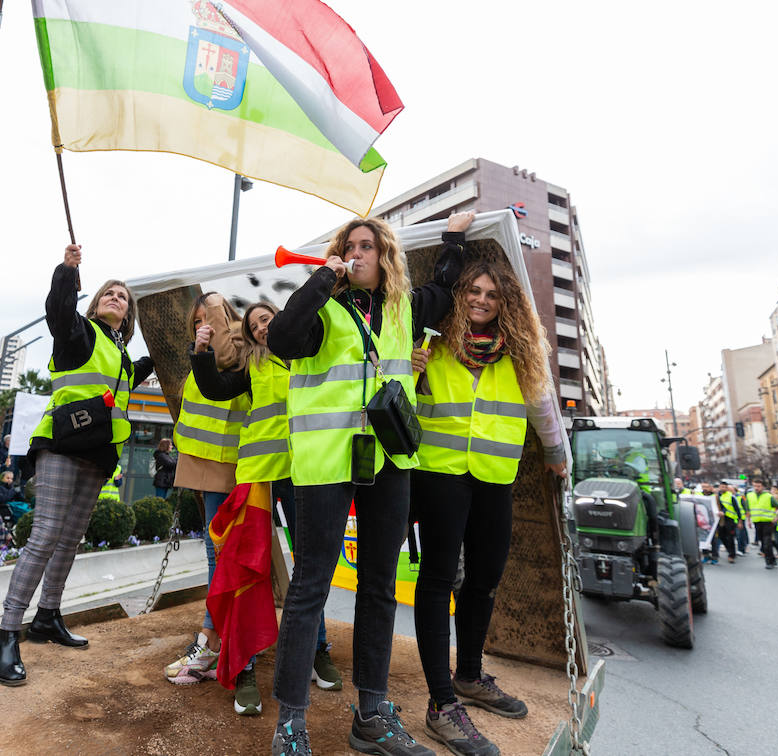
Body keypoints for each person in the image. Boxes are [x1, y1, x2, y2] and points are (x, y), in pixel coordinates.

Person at [266, 211, 472, 756]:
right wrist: (321, 278)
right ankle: (290, 724)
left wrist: (454, 236)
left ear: (385, 256)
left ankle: (372, 715)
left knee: (380, 584)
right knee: (311, 586)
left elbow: (445, 284)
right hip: (326, 462)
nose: (358, 253)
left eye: (368, 246)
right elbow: (284, 339)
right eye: (349, 246)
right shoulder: (322, 308)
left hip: (389, 462)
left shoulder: (405, 308)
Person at [409, 253, 568, 756]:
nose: (480, 300)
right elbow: (400, 403)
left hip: (494, 477)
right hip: (440, 476)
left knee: (484, 581)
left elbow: (542, 405)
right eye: (473, 292)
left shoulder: (520, 355)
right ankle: (440, 705)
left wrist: (558, 455)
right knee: (437, 582)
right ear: (460, 297)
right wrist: (407, 371)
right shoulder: (432, 347)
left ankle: (470, 676)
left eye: (492, 294)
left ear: (506, 304)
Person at [0, 245, 153, 685]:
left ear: (129, 312)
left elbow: (136, 372)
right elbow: (58, 309)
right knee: (44, 536)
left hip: (98, 456)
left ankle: (47, 617)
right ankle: (7, 634)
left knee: (69, 541)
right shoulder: (77, 331)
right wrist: (67, 273)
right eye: (110, 293)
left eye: (123, 295)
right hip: (62, 445)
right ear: (96, 301)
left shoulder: (120, 356)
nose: (116, 297)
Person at [185, 297, 343, 716]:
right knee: (244, 570)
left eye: (267, 319)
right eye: (254, 325)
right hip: (257, 474)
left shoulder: (312, 357)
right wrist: (200, 352)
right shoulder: (251, 366)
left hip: (305, 471)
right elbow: (214, 390)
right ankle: (245, 669)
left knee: (309, 567)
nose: (261, 328)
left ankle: (317, 651)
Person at [162, 292, 250, 698]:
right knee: (218, 555)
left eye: (210, 315)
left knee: (226, 556)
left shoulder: (236, 345)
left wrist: (213, 308)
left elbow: (228, 360)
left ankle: (212, 644)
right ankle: (215, 642)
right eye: (197, 318)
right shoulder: (201, 351)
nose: (204, 322)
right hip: (204, 463)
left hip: (230, 464)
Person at [746, 478, 778, 569]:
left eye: (758, 486)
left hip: (768, 522)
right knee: (763, 542)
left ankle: (769, 562)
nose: (756, 488)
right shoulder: (750, 496)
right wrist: (748, 521)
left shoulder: (768, 496)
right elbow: (748, 509)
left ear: (762, 487)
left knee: (767, 541)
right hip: (757, 522)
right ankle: (772, 559)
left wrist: (776, 517)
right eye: (755, 486)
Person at [714, 484, 740, 563]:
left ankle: (731, 555)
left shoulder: (731, 497)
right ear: (719, 487)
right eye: (722, 487)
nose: (723, 488)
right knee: (721, 536)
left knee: (730, 537)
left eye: (725, 487)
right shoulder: (716, 496)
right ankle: (729, 550)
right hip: (720, 519)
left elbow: (737, 509)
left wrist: (740, 521)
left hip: (730, 519)